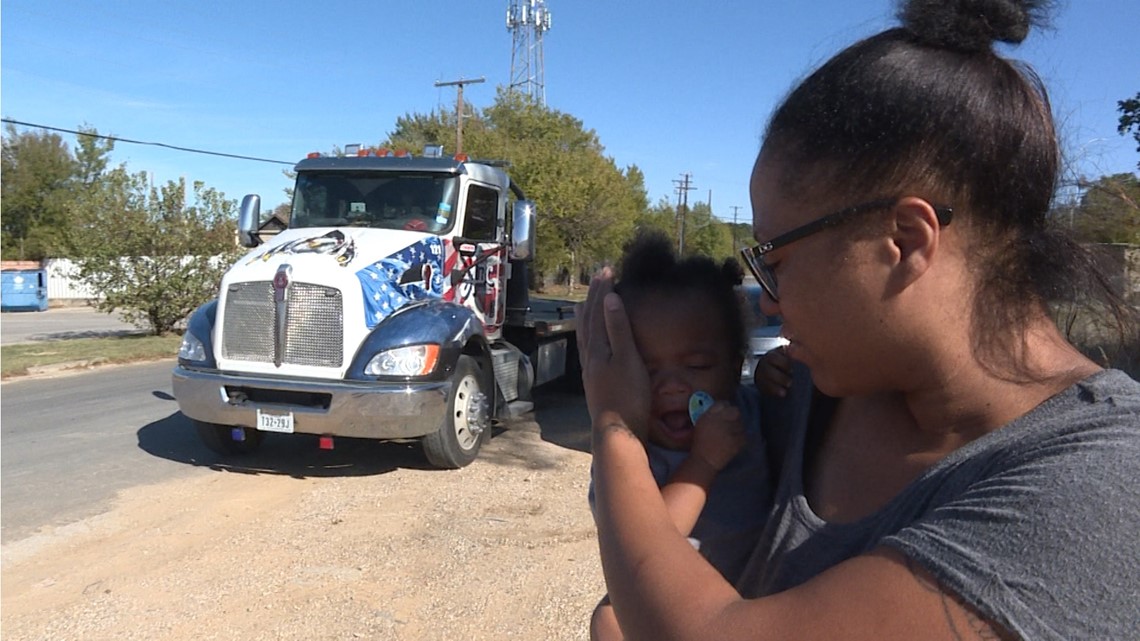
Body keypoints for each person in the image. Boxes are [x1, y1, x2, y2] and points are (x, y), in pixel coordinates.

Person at [577, 0, 1140, 639]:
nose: (768, 300)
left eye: (778, 259)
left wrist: (614, 425)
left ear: (903, 240)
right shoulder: (808, 394)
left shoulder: (1103, 482)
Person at [587, 230, 774, 641]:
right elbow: (644, 548)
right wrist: (702, 464)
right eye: (648, 370)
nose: (671, 386)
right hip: (674, 611)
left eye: (697, 365)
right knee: (609, 623)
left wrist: (776, 376)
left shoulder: (751, 413)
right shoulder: (630, 455)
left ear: (734, 363)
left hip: (759, 609)